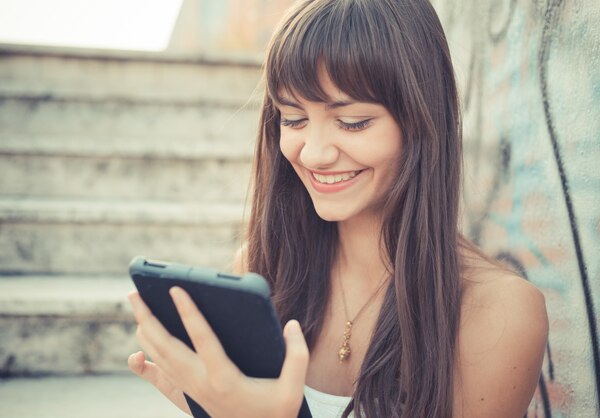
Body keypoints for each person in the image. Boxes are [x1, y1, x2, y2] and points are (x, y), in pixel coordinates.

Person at [126, 0, 549, 417]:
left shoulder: (499, 313)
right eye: (293, 119)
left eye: (353, 122)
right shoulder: (259, 271)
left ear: (423, 122)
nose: (313, 154)